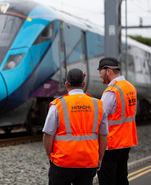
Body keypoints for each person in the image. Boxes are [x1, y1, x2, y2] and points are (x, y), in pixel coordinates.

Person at [43, 68, 108, 185]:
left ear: (66, 84)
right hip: (89, 161)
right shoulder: (98, 105)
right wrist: (100, 158)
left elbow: (48, 134)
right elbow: (103, 135)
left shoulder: (58, 105)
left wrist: (49, 155)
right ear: (83, 84)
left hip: (62, 162)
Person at [96, 57, 138, 185]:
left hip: (111, 143)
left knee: (107, 181)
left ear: (108, 71)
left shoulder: (111, 91)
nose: (99, 75)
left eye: (101, 72)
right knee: (121, 179)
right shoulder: (130, 87)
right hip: (126, 142)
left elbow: (100, 118)